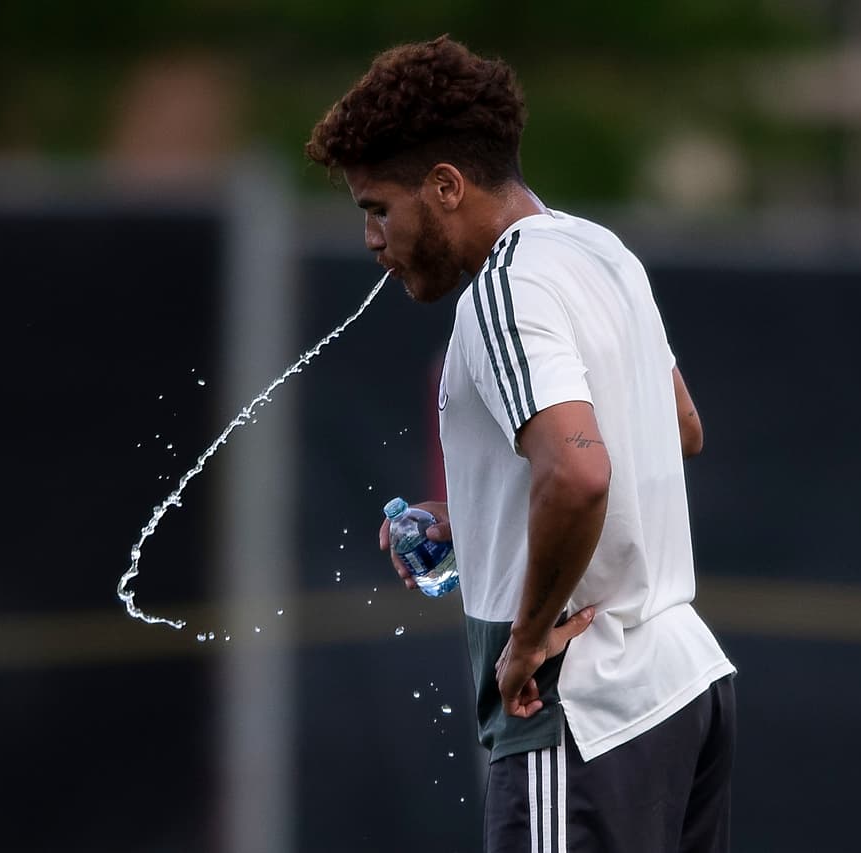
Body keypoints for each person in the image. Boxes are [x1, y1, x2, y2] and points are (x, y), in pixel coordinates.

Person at [306, 36, 737, 853]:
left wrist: (529, 638)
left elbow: (578, 472)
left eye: (377, 208)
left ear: (445, 187)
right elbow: (676, 426)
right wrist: (480, 520)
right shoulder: (599, 249)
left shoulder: (503, 287)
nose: (372, 237)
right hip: (685, 685)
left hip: (582, 708)